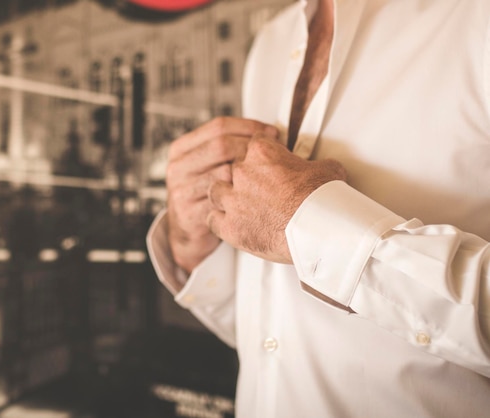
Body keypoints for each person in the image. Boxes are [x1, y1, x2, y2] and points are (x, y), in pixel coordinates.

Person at [146, 0, 490, 416]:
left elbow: (300, 232)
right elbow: (277, 336)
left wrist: (311, 226)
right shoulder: (271, 42)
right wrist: (192, 247)